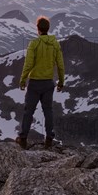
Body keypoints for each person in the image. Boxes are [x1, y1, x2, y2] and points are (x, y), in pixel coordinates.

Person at [16, 16, 64, 149]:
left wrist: (23, 79)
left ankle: (23, 138)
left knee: (28, 111)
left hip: (35, 83)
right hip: (48, 83)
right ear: (48, 28)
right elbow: (60, 64)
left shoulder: (34, 43)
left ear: (38, 29)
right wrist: (61, 81)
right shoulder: (55, 44)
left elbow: (28, 64)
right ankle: (49, 138)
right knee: (48, 111)